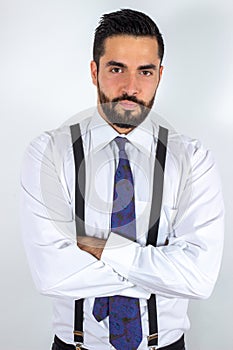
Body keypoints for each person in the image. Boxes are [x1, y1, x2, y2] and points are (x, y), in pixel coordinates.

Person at [21, 8, 224, 350]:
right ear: (94, 71)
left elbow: (199, 279)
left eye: (144, 71)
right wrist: (161, 271)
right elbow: (52, 274)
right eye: (117, 69)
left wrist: (102, 248)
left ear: (159, 74)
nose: (131, 87)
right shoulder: (48, 153)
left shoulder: (192, 159)